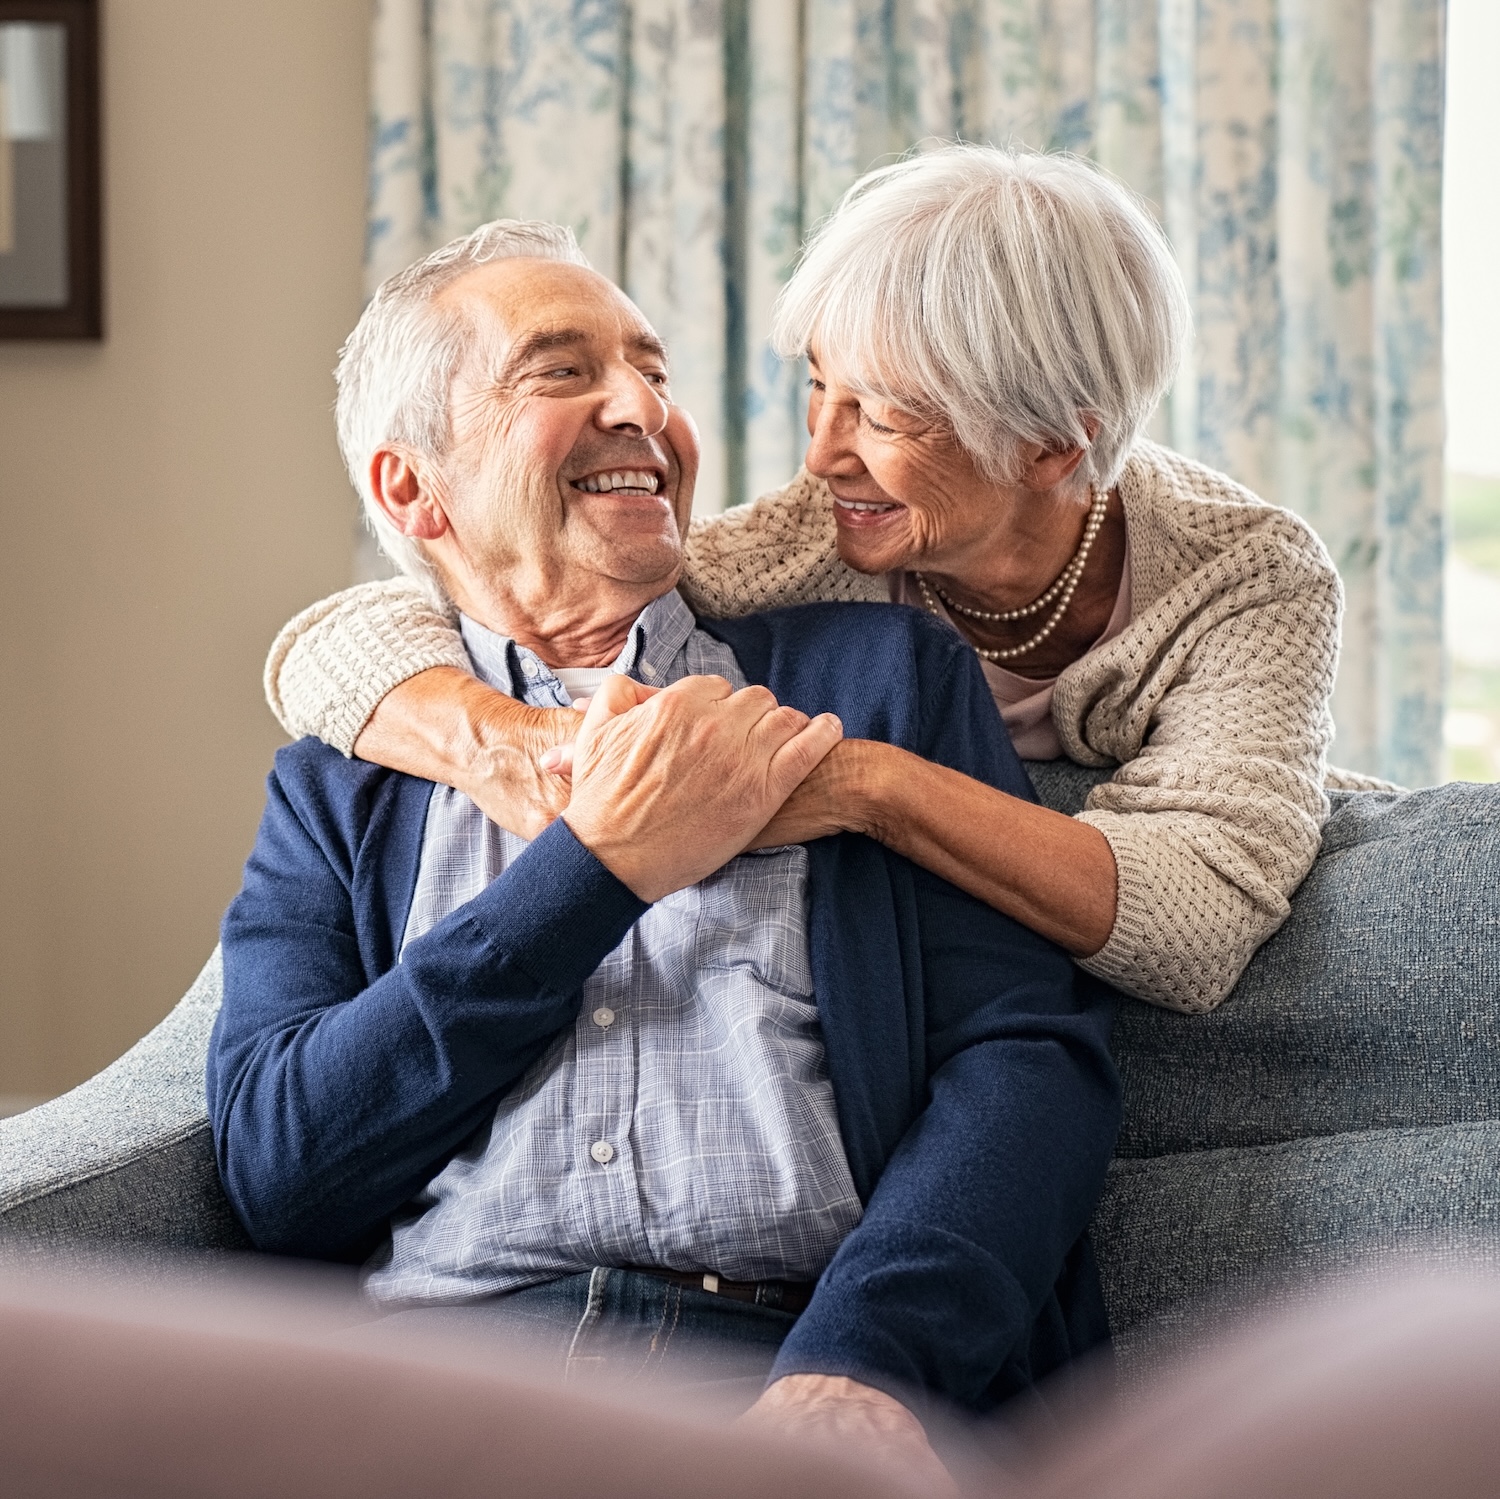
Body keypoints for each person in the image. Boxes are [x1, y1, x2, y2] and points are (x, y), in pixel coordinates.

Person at [208, 221, 1121, 1481]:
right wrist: (597, 870)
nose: (642, 407)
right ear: (414, 489)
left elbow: (1027, 1064)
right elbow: (280, 1169)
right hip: (445, 1395)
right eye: (561, 370)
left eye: (653, 371)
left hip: (781, 1366)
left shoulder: (877, 682)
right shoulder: (341, 780)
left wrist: (865, 1365)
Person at [266, 144, 1368, 1017]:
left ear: (1049, 447)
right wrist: (509, 741)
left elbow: (1193, 927)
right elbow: (342, 638)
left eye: (880, 415)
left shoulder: (1247, 578)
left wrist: (862, 786)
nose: (823, 454)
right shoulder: (811, 542)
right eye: (817, 388)